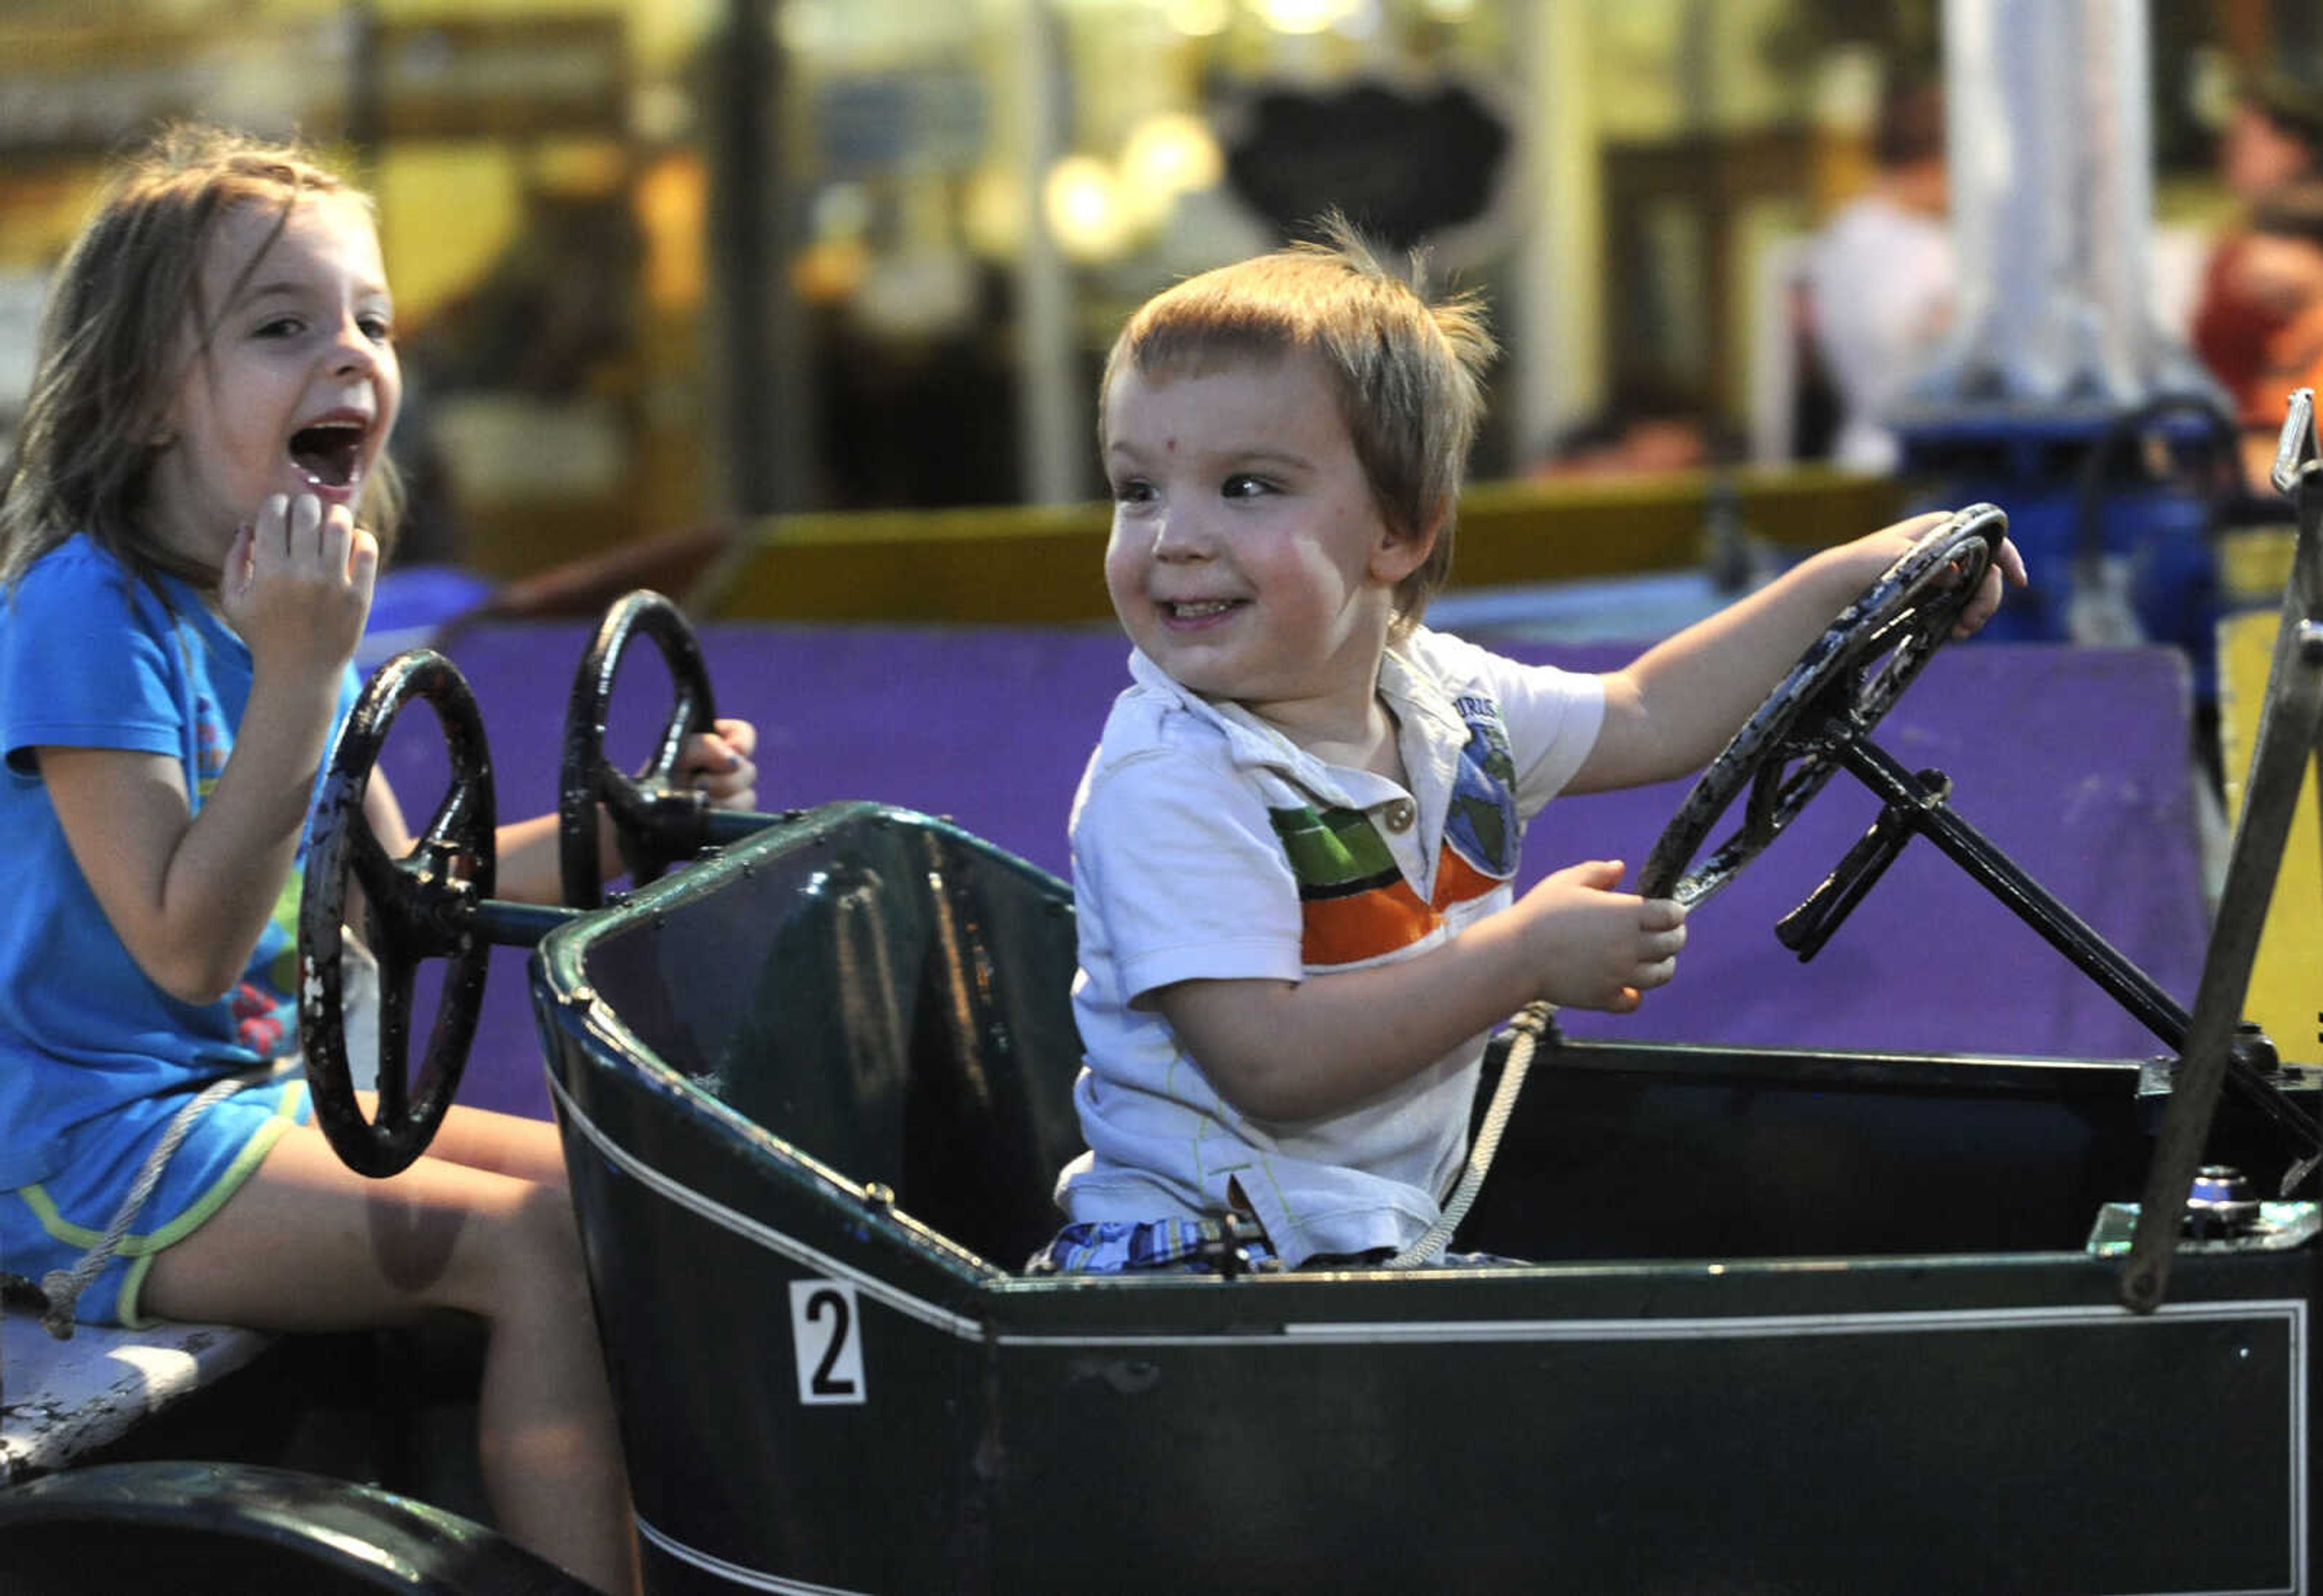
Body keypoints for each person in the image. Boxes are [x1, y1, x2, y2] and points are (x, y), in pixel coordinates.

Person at [0, 125, 759, 1595]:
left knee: (630, 1185)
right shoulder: (87, 615)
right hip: (87, 1151)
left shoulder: (293, 610)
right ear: (149, 394)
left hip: (248, 1102)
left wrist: (622, 824)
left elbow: (399, 898)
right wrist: (302, 672)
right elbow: (185, 944)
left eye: (369, 319)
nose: (348, 352)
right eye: (283, 325)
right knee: (534, 1237)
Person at [1034, 220, 2022, 1275]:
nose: (1173, 537)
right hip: (1189, 1272)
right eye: (1138, 489)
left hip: (1361, 1240)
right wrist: (1523, 957)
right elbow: (1271, 1062)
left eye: (1245, 487)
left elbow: (1649, 710)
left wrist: (1842, 579)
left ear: (1400, 532)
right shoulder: (1174, 777)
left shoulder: (1443, 700)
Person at [1802, 79, 1953, 474]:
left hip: (1861, 453)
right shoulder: (1924, 248)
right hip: (1916, 459)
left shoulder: (1843, 234)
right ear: (1934, 164)